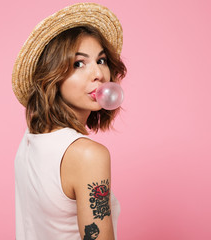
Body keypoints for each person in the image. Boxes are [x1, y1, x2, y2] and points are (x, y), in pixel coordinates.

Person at [12, 3, 126, 240]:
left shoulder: (31, 141)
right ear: (52, 77)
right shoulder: (88, 155)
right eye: (78, 64)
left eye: (102, 60)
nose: (98, 74)